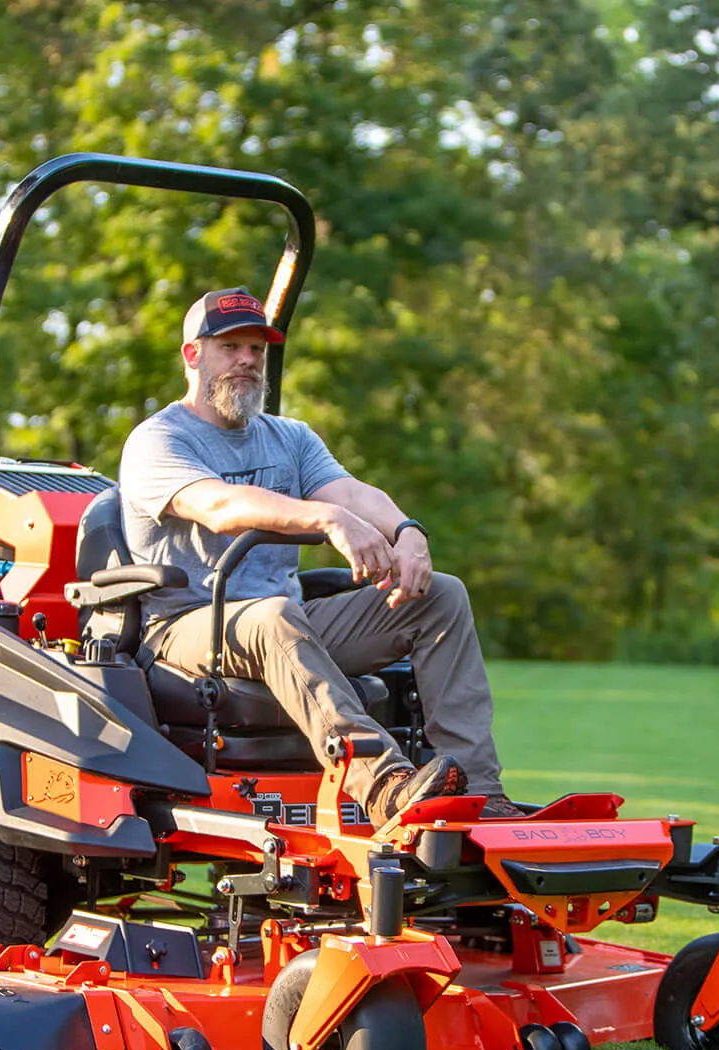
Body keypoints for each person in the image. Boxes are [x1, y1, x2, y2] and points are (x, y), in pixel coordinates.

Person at [117, 287, 517, 826]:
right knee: (272, 616)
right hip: (186, 629)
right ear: (193, 355)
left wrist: (406, 531)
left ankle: (480, 795)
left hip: (286, 621)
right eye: (230, 346)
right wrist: (325, 520)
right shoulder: (157, 440)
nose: (246, 360)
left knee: (441, 595)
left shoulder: (290, 437)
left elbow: (349, 494)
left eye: (256, 350)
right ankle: (383, 783)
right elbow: (217, 506)